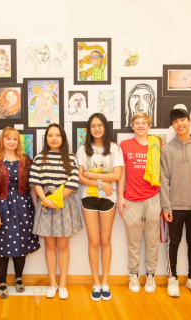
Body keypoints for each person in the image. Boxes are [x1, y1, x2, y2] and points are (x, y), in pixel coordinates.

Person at [0, 127, 40, 299]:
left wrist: (36, 210)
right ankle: (2, 282)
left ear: (18, 142)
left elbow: (32, 188)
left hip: (23, 207)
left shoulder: (27, 160)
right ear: (2, 140)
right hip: (1, 207)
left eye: (15, 139)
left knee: (22, 245)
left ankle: (19, 278)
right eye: (8, 139)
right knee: (0, 245)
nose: (12, 142)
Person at [30, 124, 83, 300]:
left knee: (63, 246)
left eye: (57, 135)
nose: (54, 138)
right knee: (50, 246)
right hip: (45, 202)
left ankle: (63, 284)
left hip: (64, 203)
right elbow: (36, 182)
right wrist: (45, 200)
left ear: (63, 138)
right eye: (50, 135)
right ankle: (52, 283)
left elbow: (73, 182)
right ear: (46, 138)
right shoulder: (39, 158)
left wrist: (56, 199)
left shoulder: (70, 157)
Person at [159, 108, 191, 298]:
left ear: (189, 121)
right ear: (172, 125)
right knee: (173, 243)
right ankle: (172, 278)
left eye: (183, 120)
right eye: (175, 122)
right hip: (174, 206)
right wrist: (166, 206)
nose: (180, 124)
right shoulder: (167, 148)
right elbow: (163, 179)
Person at [77, 113, 123, 301]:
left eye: (100, 125)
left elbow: (117, 176)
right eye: (93, 126)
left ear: (105, 127)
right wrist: (100, 184)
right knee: (93, 241)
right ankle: (95, 282)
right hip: (89, 197)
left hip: (108, 199)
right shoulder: (82, 150)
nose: (97, 128)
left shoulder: (114, 148)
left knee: (105, 240)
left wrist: (92, 176)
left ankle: (105, 282)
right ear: (89, 129)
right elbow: (79, 178)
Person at [118, 112, 163, 294]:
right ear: (132, 125)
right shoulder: (125, 145)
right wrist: (120, 196)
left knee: (152, 240)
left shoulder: (157, 143)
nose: (140, 126)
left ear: (149, 126)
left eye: (144, 123)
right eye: (137, 123)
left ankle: (151, 275)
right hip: (131, 200)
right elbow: (121, 172)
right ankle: (134, 274)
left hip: (153, 198)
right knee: (133, 241)